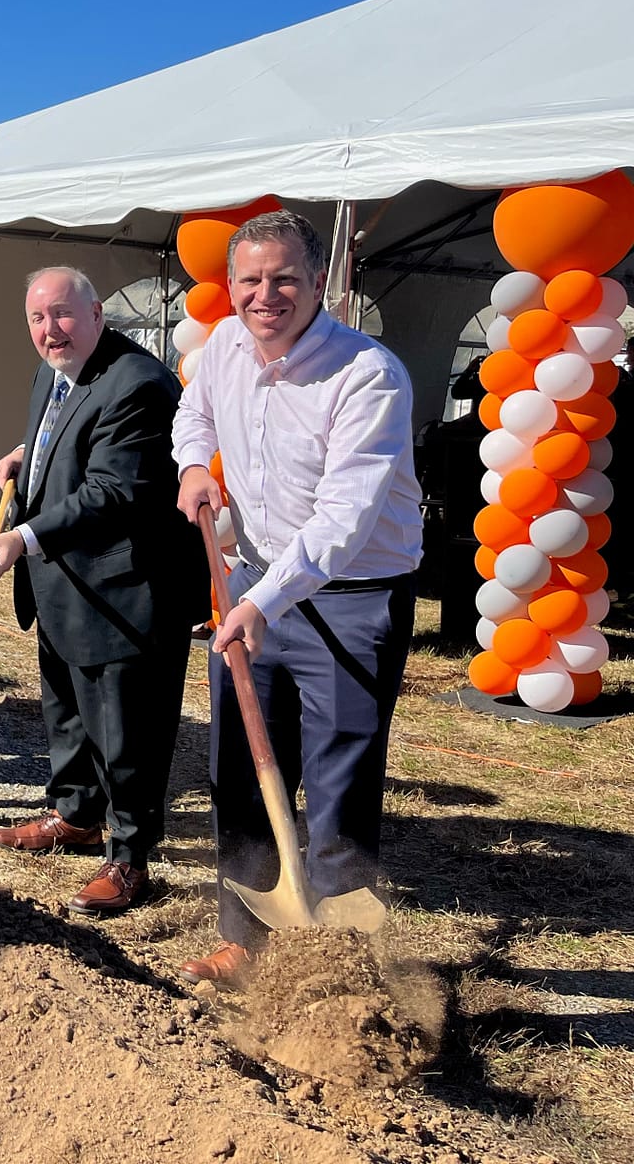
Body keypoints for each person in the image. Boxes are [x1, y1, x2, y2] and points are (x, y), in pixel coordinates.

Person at [172, 209, 423, 984]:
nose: (265, 294)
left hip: (351, 597)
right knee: (241, 769)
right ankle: (242, 935)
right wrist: (191, 467)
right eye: (249, 279)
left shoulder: (367, 374)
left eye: (284, 278)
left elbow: (343, 521)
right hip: (251, 581)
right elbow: (194, 411)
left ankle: (335, 962)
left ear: (320, 283)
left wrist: (259, 602)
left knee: (340, 777)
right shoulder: (222, 349)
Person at [0, 267, 202, 915]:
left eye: (63, 315)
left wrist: (25, 538)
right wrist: (31, 453)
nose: (50, 330)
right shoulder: (56, 367)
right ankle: (76, 816)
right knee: (68, 711)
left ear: (98, 312)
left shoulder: (140, 385)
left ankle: (130, 858)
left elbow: (116, 490)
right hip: (65, 585)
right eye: (38, 319)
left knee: (126, 730)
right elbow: (68, 424)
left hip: (126, 590)